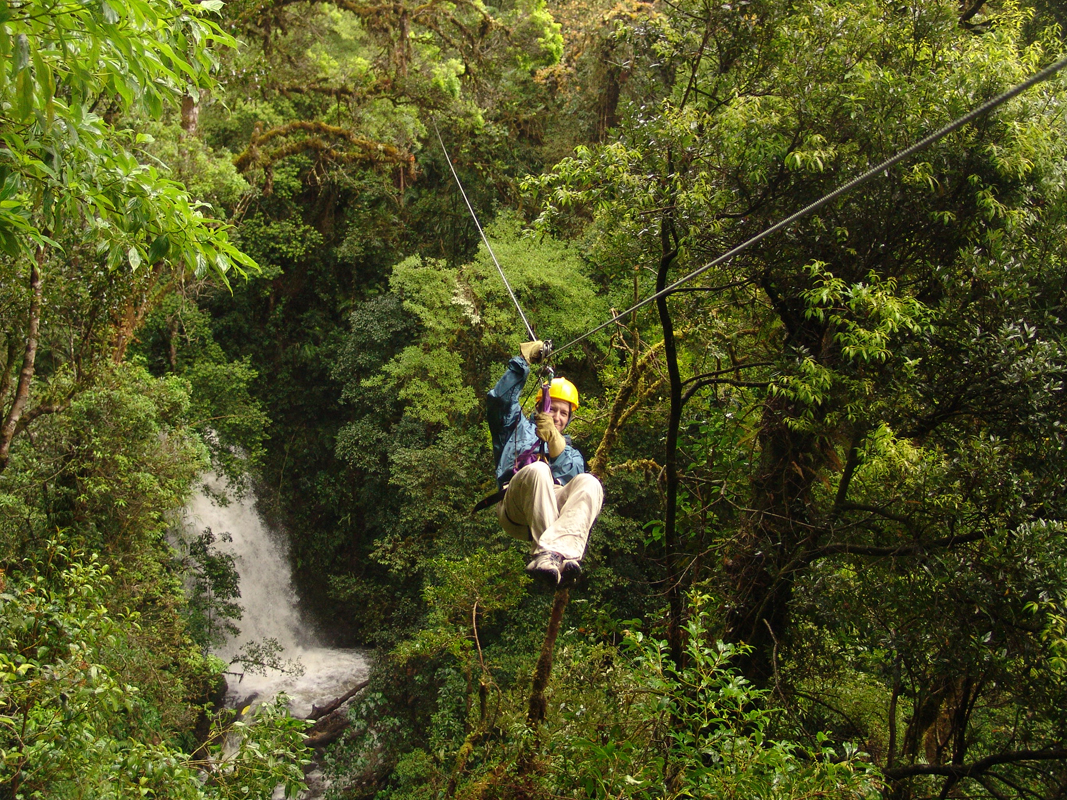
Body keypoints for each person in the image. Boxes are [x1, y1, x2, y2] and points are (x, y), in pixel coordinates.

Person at [486, 340, 604, 587]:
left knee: (590, 483)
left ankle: (561, 555)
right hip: (515, 505)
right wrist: (523, 363)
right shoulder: (516, 426)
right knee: (539, 469)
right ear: (541, 406)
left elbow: (569, 475)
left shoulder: (570, 453)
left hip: (550, 509)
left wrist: (554, 440)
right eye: (554, 410)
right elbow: (499, 400)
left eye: (564, 413)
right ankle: (547, 553)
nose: (558, 417)